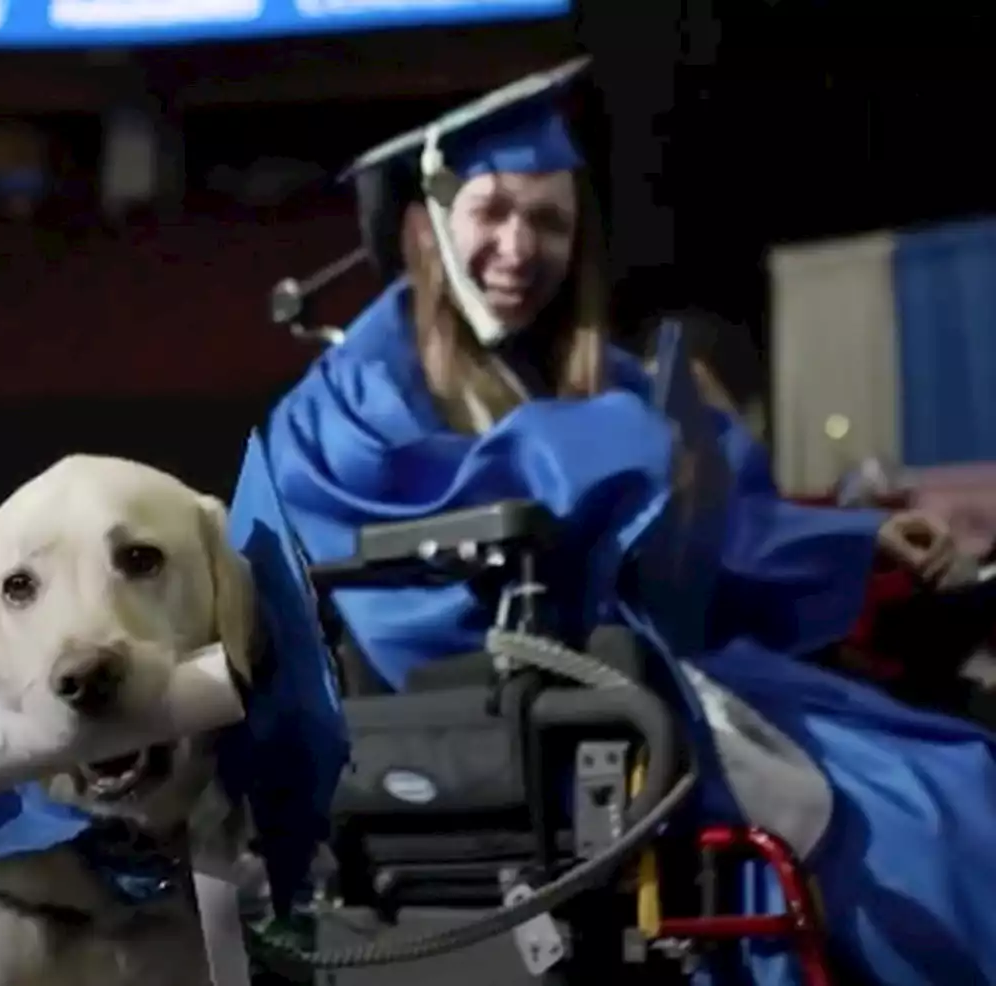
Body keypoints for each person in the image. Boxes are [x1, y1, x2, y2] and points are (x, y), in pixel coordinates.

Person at [227, 59, 996, 986]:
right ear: (429, 225)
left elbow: (726, 526)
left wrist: (857, 539)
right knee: (911, 827)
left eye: (549, 221)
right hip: (519, 722)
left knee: (959, 768)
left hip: (666, 683)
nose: (520, 247)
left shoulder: (600, 377)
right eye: (493, 211)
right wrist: (592, 449)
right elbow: (407, 585)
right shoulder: (348, 406)